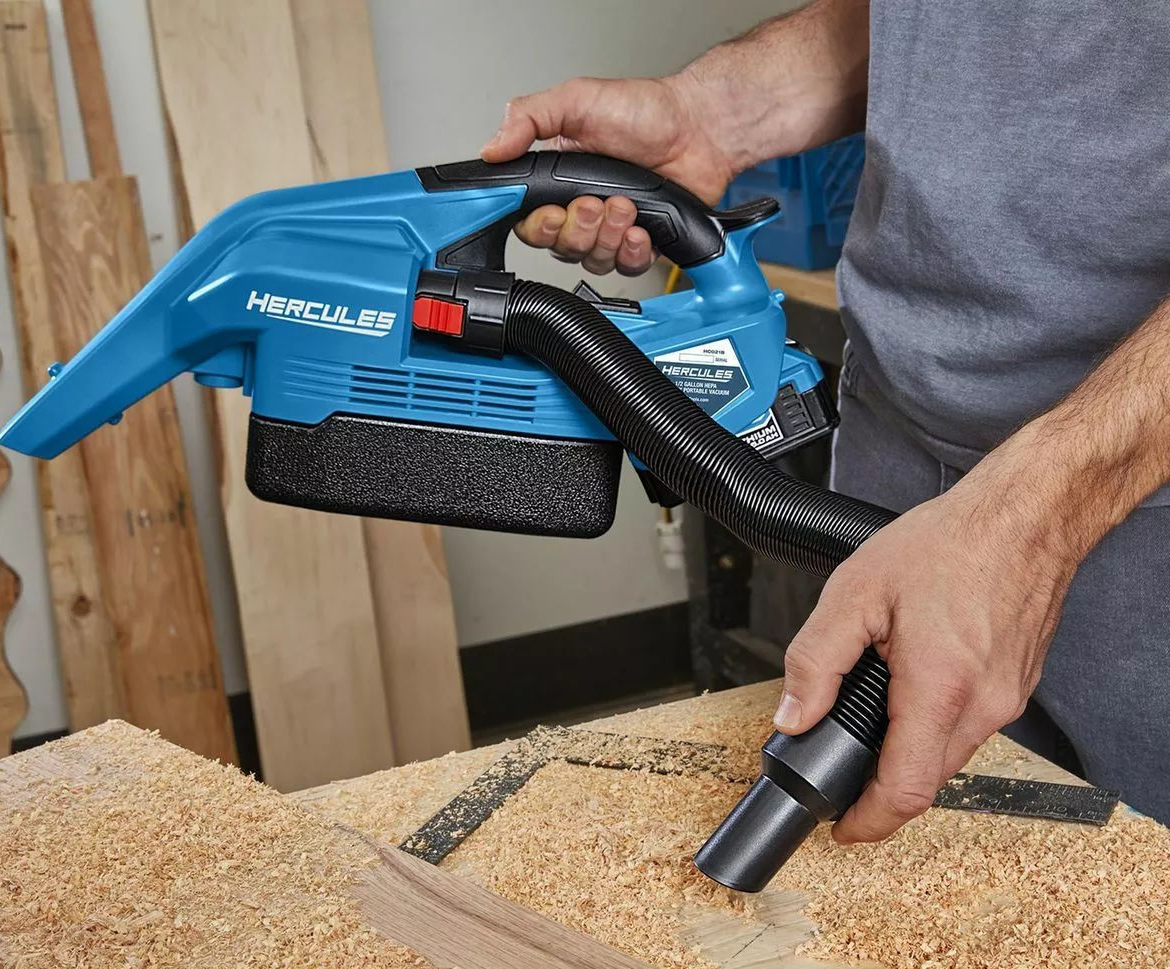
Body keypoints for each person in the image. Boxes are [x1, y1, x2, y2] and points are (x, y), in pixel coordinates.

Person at [482, 0, 1170, 836]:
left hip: (1136, 493)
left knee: (1135, 892)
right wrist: (708, 114)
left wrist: (1030, 523)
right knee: (920, 868)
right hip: (896, 437)